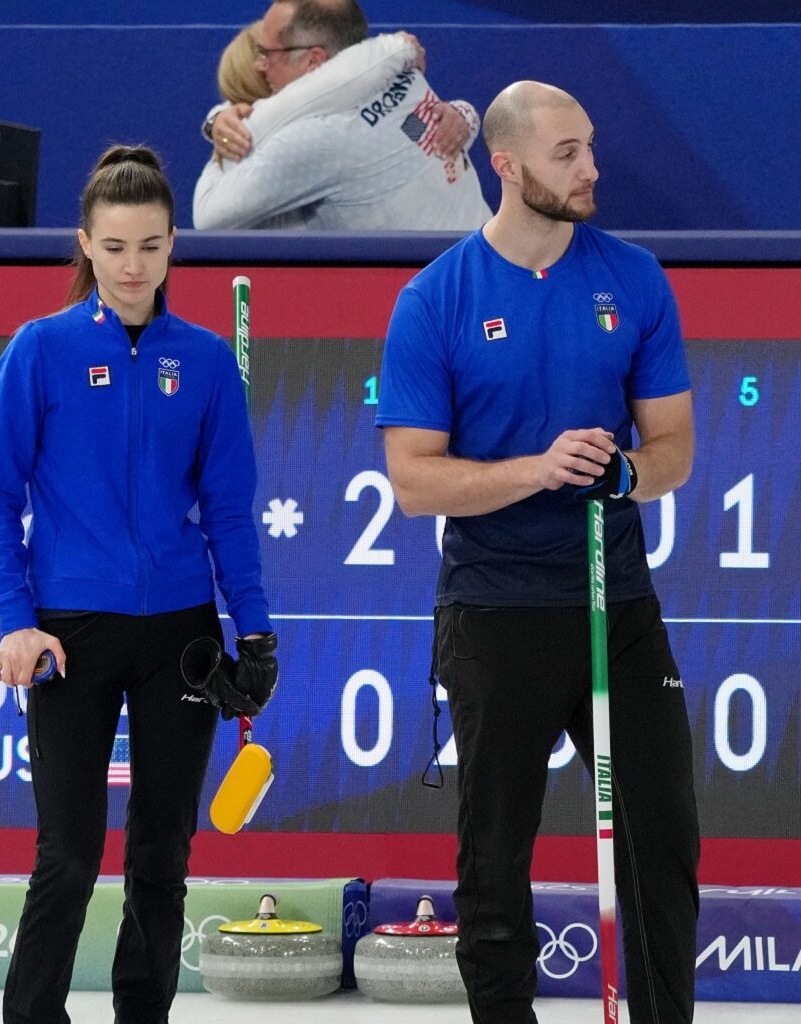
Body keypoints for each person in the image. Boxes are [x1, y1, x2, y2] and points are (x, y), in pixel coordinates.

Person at [377, 81, 698, 1024]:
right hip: (496, 611)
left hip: (616, 602)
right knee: (494, 856)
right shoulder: (436, 300)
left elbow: (673, 446)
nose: (591, 168)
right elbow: (414, 480)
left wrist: (626, 476)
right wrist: (539, 470)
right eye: (567, 153)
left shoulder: (633, 276)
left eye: (590, 146)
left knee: (663, 838)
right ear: (506, 166)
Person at [0, 144, 279, 1024]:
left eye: (149, 245)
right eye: (114, 247)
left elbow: (230, 514)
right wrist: (16, 621)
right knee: (67, 853)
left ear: (174, 243)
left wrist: (252, 631)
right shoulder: (40, 351)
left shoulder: (208, 362)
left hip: (178, 637)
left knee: (161, 853)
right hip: (69, 634)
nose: (133, 265)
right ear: (85, 245)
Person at [192, 0, 489, 230]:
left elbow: (207, 215)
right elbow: (416, 140)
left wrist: (230, 126)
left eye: (268, 54)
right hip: (487, 264)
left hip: (439, 295)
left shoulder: (314, 141)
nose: (261, 66)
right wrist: (465, 115)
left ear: (313, 59)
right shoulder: (404, 75)